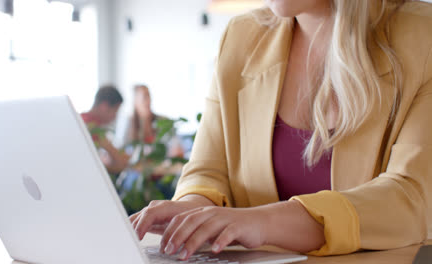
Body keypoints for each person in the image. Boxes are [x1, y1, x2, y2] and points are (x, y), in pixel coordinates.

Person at [131, 0, 432, 261]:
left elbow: (410, 199)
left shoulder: (422, 36)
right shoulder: (242, 36)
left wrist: (262, 223)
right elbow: (208, 170)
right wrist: (193, 212)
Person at [81, 85, 130, 174]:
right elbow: (120, 164)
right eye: (115, 111)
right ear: (104, 106)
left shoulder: (82, 119)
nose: (115, 117)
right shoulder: (92, 127)